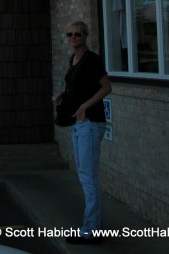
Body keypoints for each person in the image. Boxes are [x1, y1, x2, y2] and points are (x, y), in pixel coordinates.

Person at [52, 21, 112, 244]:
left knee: (88, 177)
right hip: (79, 123)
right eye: (69, 34)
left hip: (91, 122)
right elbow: (73, 89)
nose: (73, 37)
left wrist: (85, 106)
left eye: (78, 34)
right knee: (84, 175)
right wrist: (61, 96)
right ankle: (95, 226)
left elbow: (107, 87)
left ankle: (91, 231)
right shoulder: (73, 59)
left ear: (85, 35)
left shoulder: (92, 60)